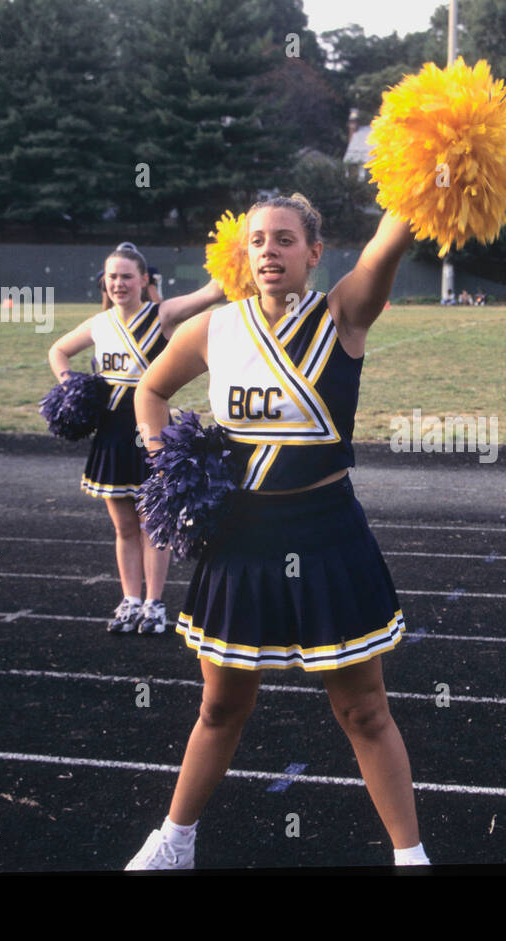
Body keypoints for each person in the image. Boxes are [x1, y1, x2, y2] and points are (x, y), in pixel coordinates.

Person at [124, 193, 428, 870]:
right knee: (221, 707)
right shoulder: (214, 328)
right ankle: (174, 842)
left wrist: (422, 181)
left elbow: (387, 247)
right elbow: (151, 390)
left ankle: (410, 857)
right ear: (244, 253)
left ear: (314, 254)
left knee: (364, 712)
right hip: (243, 538)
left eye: (286, 240)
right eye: (258, 240)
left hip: (326, 533)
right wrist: (163, 457)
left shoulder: (342, 315)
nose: (269, 251)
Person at [47, 248, 172, 635]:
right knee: (123, 527)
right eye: (112, 277)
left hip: (150, 432)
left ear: (144, 281)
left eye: (126, 277)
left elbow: (210, 293)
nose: (118, 284)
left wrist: (232, 261)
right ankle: (130, 600)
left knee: (153, 524)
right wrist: (71, 386)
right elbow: (58, 350)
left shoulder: (161, 316)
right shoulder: (100, 324)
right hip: (112, 434)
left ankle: (154, 605)